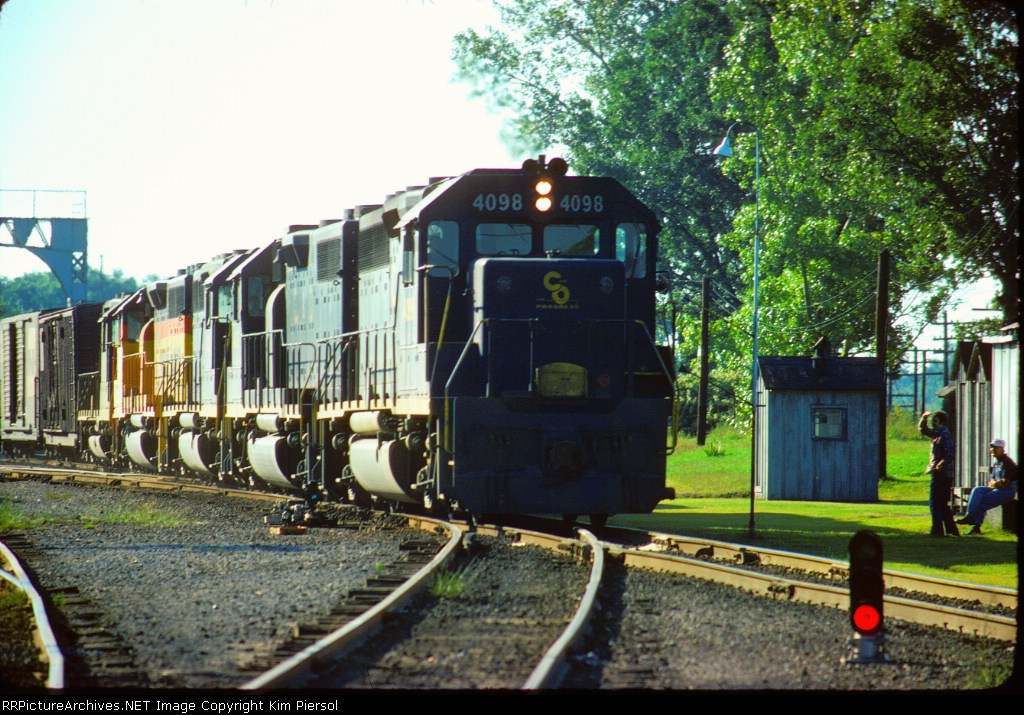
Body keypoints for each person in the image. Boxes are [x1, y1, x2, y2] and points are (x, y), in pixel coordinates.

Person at [956, 439, 1018, 535]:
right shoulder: (997, 462)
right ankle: (970, 516)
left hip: (1007, 491)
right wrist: (996, 483)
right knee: (977, 490)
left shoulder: (1007, 462)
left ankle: (975, 525)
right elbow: (992, 481)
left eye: (995, 447)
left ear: (1002, 449)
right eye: (991, 447)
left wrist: (995, 483)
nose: (992, 449)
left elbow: (1005, 484)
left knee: (981, 499)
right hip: (997, 488)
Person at [918, 410, 959, 537]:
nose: (933, 423)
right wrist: (924, 418)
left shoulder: (944, 435)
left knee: (935, 503)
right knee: (942, 504)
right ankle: (951, 529)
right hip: (942, 473)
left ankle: (937, 530)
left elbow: (950, 453)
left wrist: (940, 464)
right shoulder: (937, 433)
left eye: (935, 421)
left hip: (941, 473)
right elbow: (923, 430)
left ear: (941, 422)